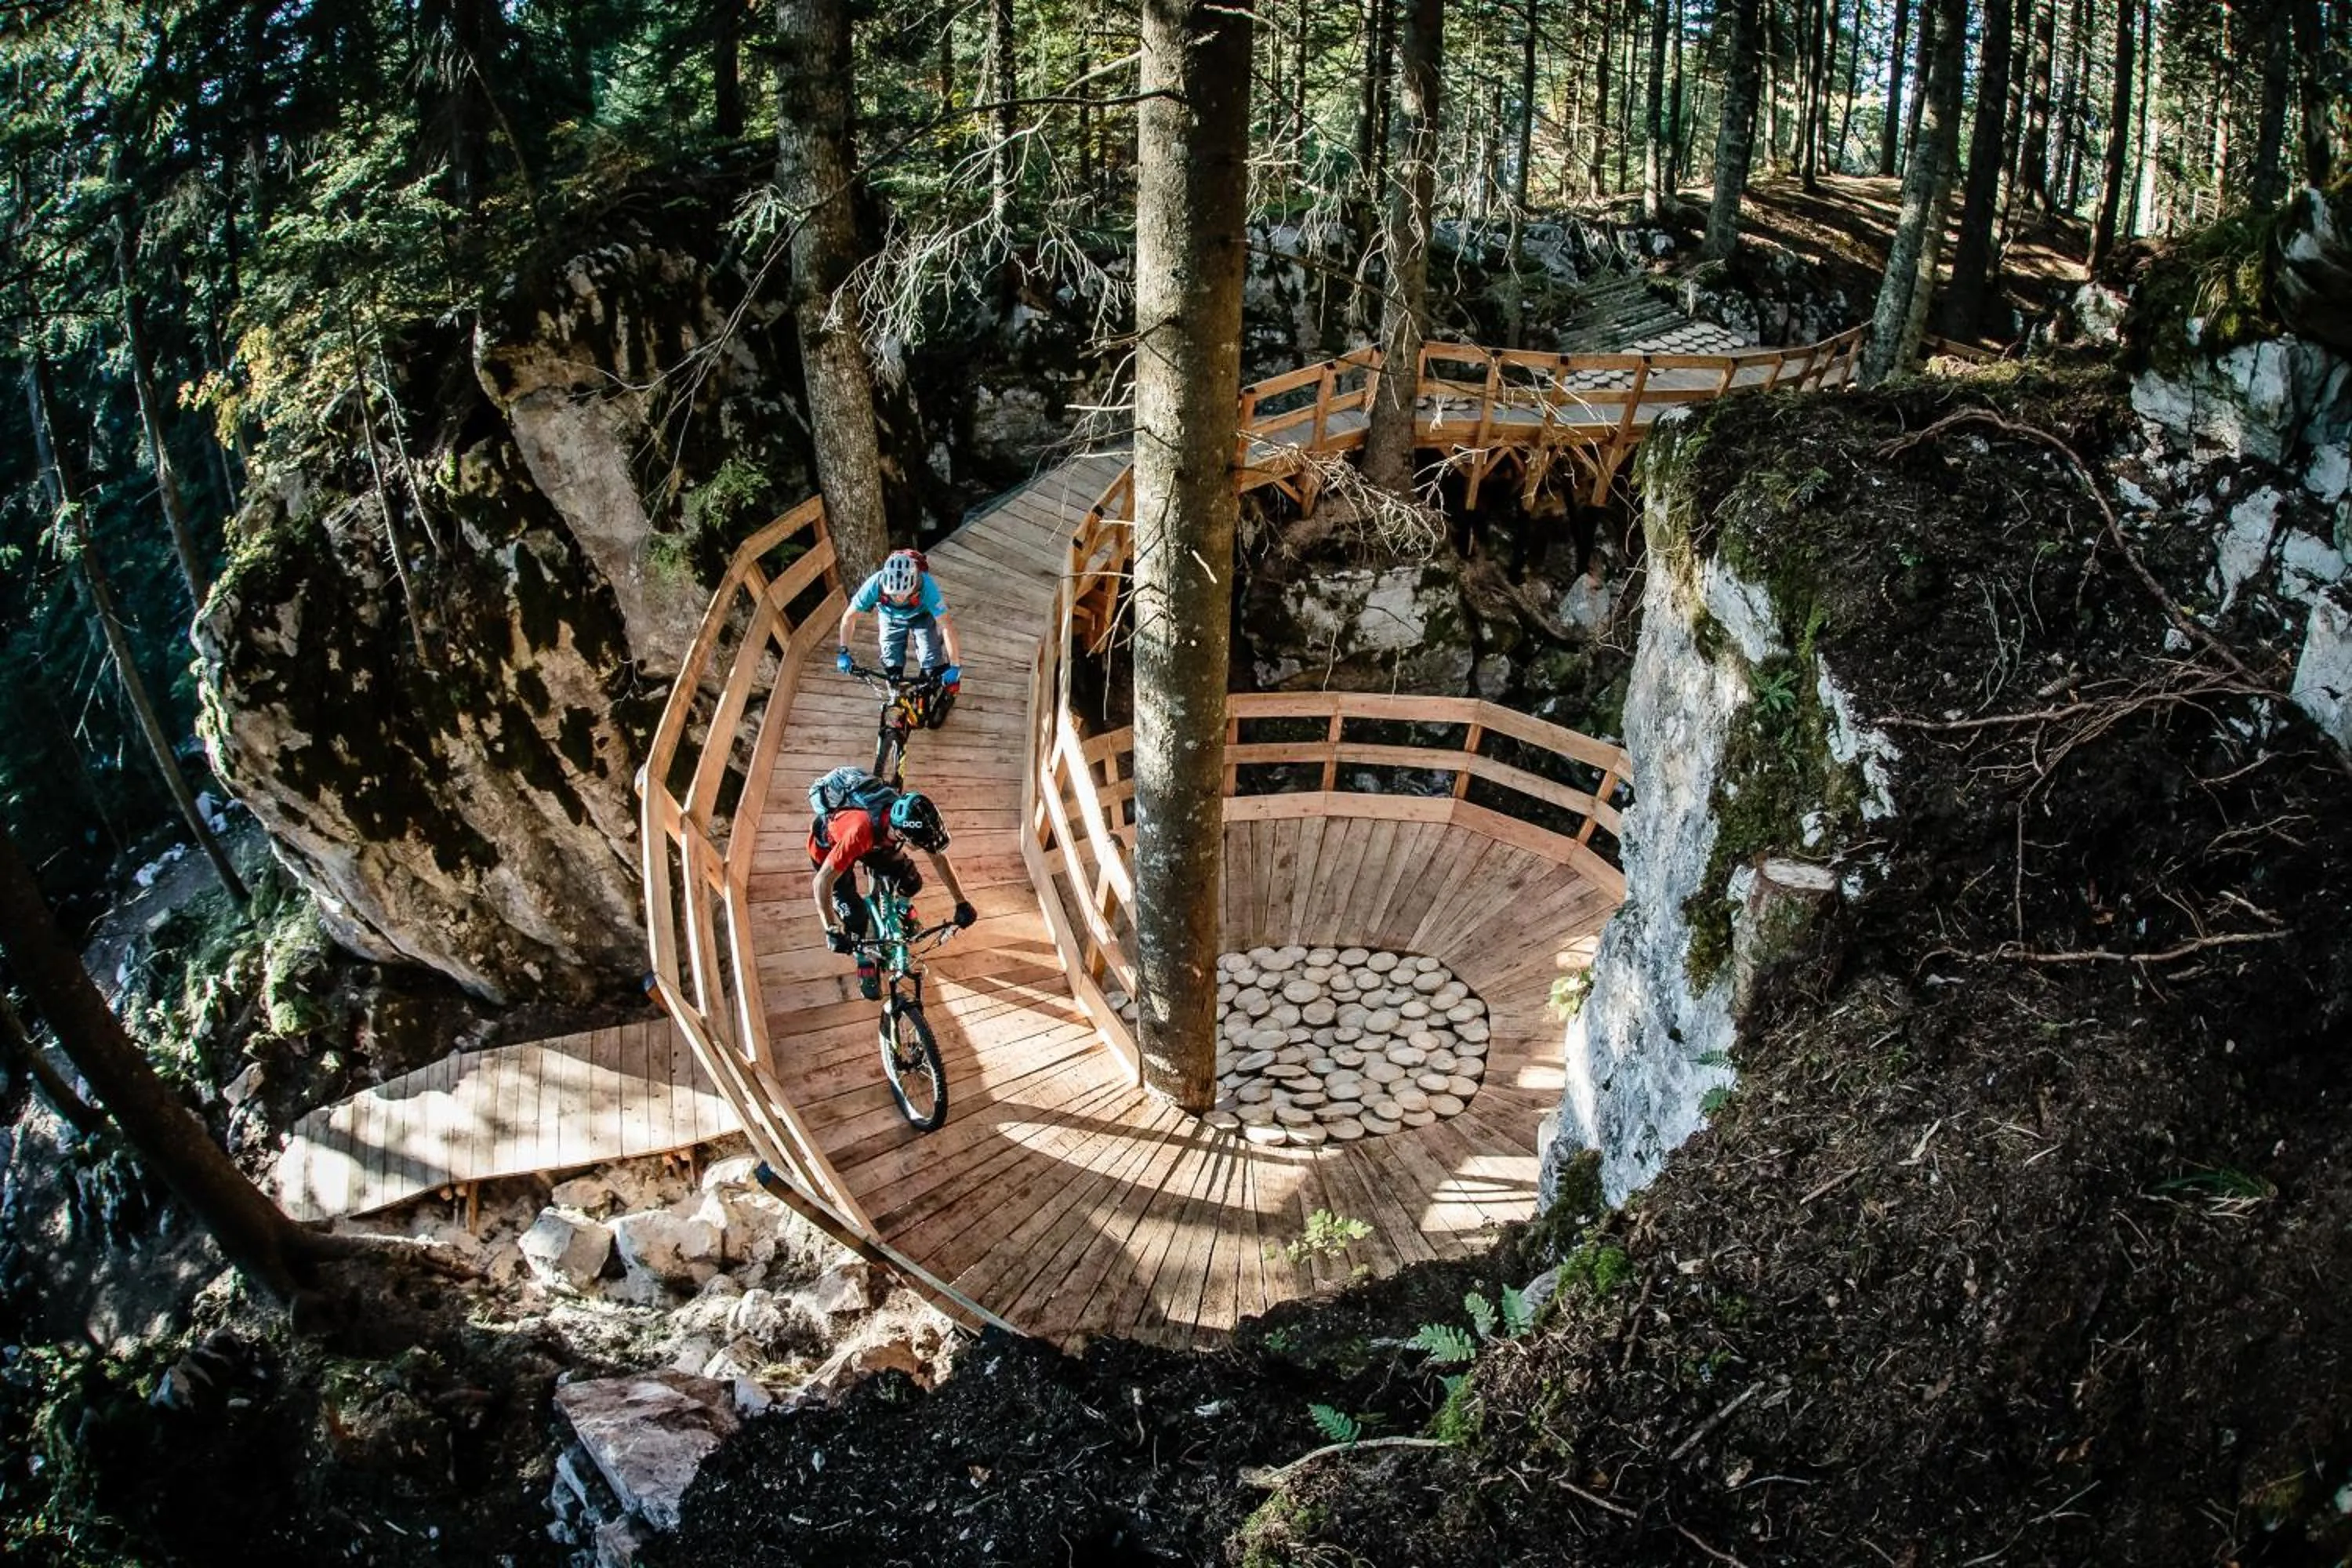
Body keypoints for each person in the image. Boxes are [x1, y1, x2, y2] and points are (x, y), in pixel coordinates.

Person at [808, 773, 976, 1001]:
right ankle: (863, 958)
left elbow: (938, 857)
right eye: (919, 845)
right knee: (855, 916)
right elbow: (822, 882)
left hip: (876, 841)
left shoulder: (906, 822)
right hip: (832, 848)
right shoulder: (861, 830)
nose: (924, 848)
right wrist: (831, 930)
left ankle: (903, 909)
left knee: (912, 882)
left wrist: (961, 901)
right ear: (902, 834)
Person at [837, 548, 962, 696]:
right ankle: (896, 690)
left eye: (903, 595)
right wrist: (843, 650)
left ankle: (930, 691)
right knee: (891, 664)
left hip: (922, 616)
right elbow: (849, 617)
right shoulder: (875, 585)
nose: (898, 599)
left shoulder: (926, 586)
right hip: (890, 618)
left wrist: (955, 665)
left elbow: (947, 626)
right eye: (893, 595)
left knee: (931, 663)